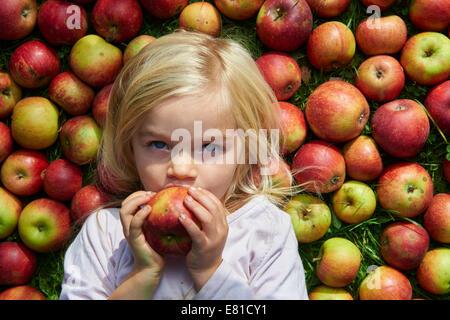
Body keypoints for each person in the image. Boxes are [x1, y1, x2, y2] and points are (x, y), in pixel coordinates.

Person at [59, 29, 308, 300]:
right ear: (130, 146)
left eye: (209, 146)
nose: (180, 168)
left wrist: (211, 272)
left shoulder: (266, 232)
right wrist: (143, 274)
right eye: (159, 144)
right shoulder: (107, 236)